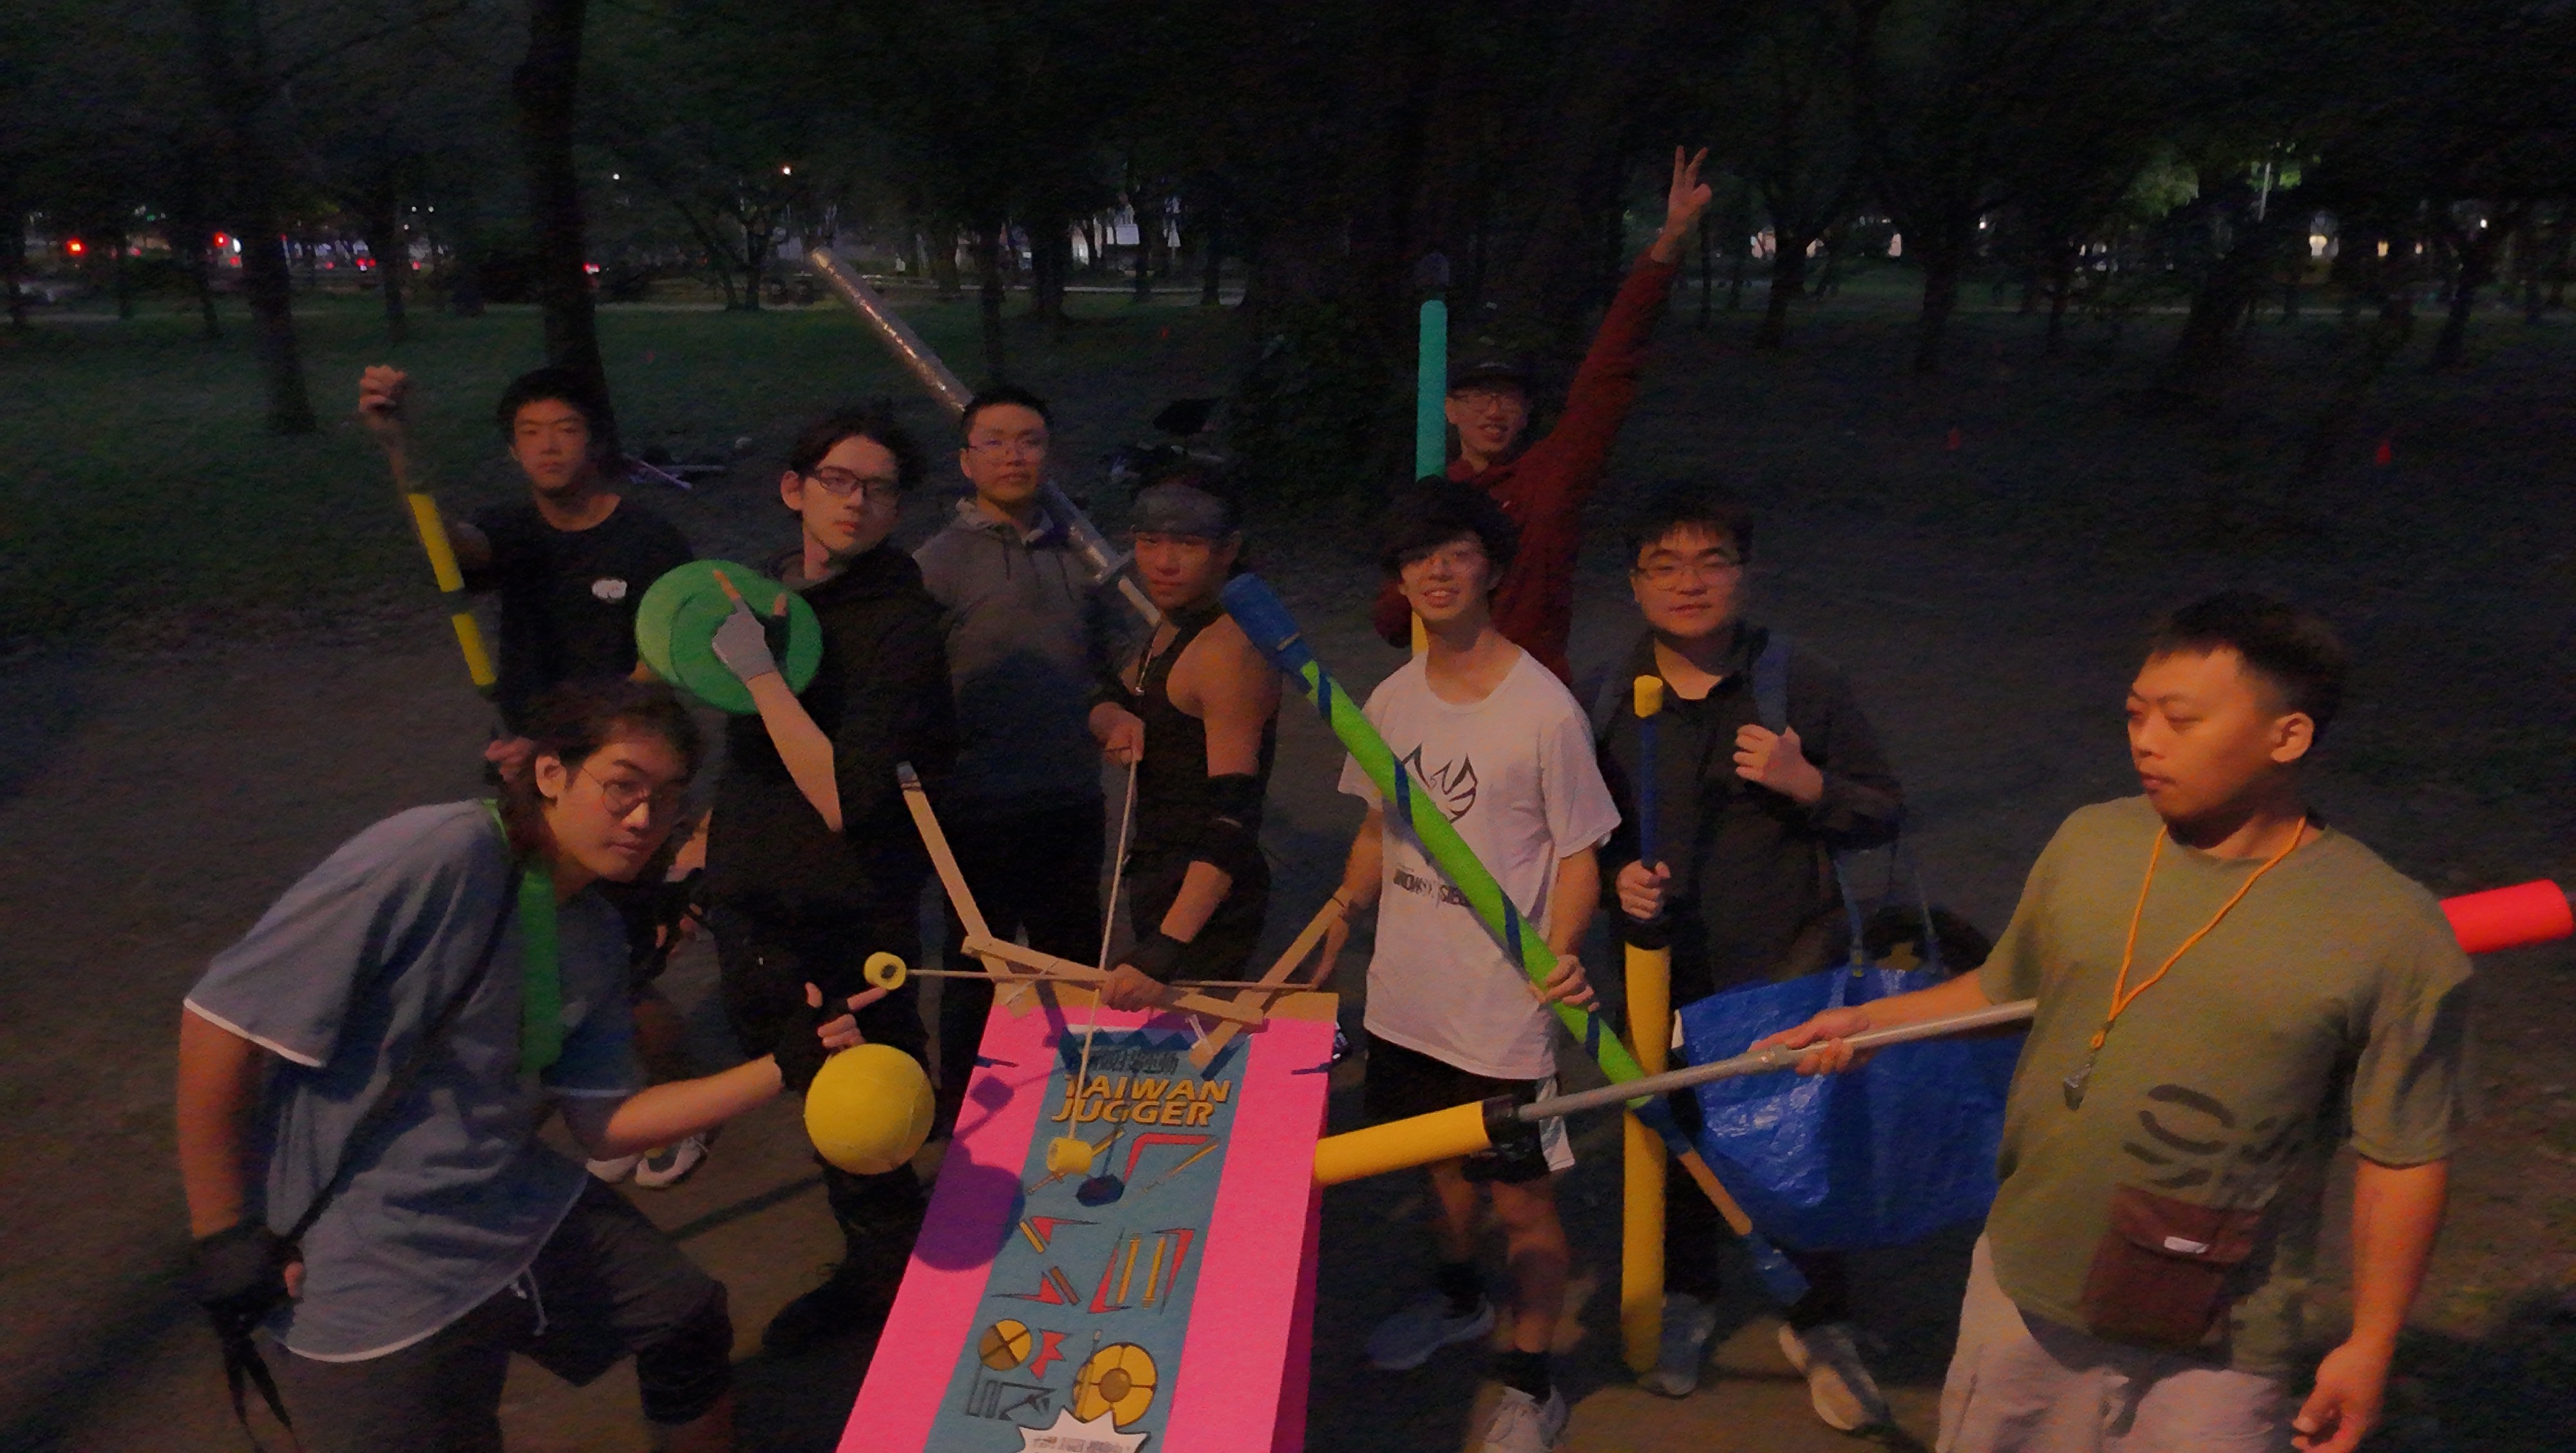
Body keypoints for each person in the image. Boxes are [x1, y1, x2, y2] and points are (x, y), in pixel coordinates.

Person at [1765, 593, 2468, 1453]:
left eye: (2181, 719)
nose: (2146, 740)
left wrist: (2370, 1343)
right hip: (2027, 1286)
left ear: (2287, 737)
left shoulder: (2389, 930)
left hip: (2221, 1332)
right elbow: (2008, 989)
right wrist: (1867, 1023)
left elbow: (2404, 1156)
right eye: (2136, 715)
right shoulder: (2091, 843)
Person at [176, 680, 880, 1453]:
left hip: (509, 1203)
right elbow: (219, 1022)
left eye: (667, 797)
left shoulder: (591, 932)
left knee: (683, 1318)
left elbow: (607, 1127)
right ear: (550, 774)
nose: (644, 819)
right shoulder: (439, 853)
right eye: (622, 786)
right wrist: (223, 1237)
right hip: (369, 1265)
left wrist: (782, 1065)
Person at [1590, 486, 1904, 1421]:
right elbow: (1578, 832)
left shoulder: (1800, 682)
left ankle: (1820, 1321)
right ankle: (1687, 1300)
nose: (1689, 583)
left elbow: (1883, 811)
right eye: (1665, 566)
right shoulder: (1604, 694)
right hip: (1661, 970)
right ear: (1635, 583)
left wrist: (1807, 783)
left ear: (1746, 573)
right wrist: (1612, 879)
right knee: (1675, 1135)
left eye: (1712, 561)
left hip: (1787, 963)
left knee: (1802, 1145)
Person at [1321, 480, 1616, 1453]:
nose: (1437, 573)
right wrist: (1342, 909)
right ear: (1399, 579)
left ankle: (1531, 1380)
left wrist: (1561, 955)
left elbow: (1580, 852)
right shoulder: (1391, 699)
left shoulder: (1544, 710)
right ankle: (1459, 1303)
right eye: (1419, 558)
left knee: (1521, 1200)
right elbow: (1379, 827)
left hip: (1499, 1010)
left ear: (1491, 568)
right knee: (1437, 1170)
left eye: (1456, 553)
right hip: (1406, 1000)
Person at [357, 363, 705, 1188]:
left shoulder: (649, 541)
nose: (549, 447)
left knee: (621, 964)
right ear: (513, 450)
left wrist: (566, 749)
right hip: (531, 771)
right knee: (541, 945)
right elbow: (447, 550)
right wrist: (397, 444)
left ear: (598, 442)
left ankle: (679, 1109)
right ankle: (601, 1105)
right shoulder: (511, 530)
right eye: (530, 433)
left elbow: (660, 669)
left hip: (614, 782)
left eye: (566, 430)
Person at [700, 406, 956, 1356]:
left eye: (879, 489)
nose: (857, 503)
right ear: (794, 489)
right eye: (838, 481)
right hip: (756, 897)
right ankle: (882, 1267)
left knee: (868, 1102)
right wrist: (699, 862)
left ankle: (904, 1297)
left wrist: (762, 680)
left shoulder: (902, 625)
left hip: (847, 906)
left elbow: (851, 797)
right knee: (813, 1089)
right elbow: (749, 762)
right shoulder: (770, 603)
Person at [1369, 146, 1712, 682]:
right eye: (1478, 396)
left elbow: (1607, 375)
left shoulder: (1551, 477)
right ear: (1448, 409)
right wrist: (1414, 567)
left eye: (1508, 397)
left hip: (1535, 689)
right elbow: (1391, 624)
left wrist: (1664, 249)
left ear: (1528, 411)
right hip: (1445, 696)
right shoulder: (1432, 498)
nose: (1494, 409)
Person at [914, 385, 1126, 1113]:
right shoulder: (937, 565)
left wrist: (1111, 709)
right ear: (966, 460)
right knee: (980, 966)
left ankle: (1070, 1101)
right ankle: (966, 1111)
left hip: (1070, 795)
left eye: (1029, 441)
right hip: (977, 806)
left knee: (1074, 958)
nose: (1014, 456)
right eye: (995, 442)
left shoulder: (1081, 555)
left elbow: (1106, 659)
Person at [1090, 463, 1282, 1011]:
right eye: (1149, 542)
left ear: (1228, 549)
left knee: (1191, 1057)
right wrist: (1107, 714)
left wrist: (1167, 947)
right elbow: (1120, 694)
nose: (1163, 563)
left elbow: (1233, 817)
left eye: (1187, 545)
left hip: (1205, 898)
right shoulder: (1177, 622)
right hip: (1161, 872)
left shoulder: (1228, 651)